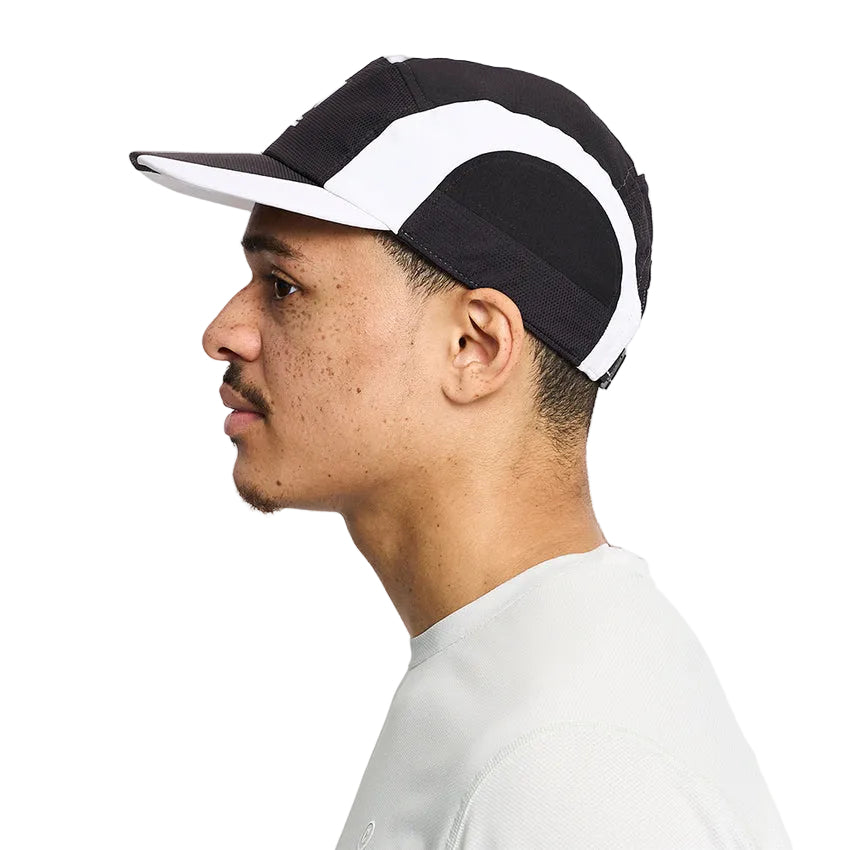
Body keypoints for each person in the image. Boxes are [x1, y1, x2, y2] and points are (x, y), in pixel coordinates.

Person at [129, 55, 793, 849]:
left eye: (284, 286)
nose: (223, 332)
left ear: (475, 347)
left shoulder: (570, 767)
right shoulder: (517, 690)